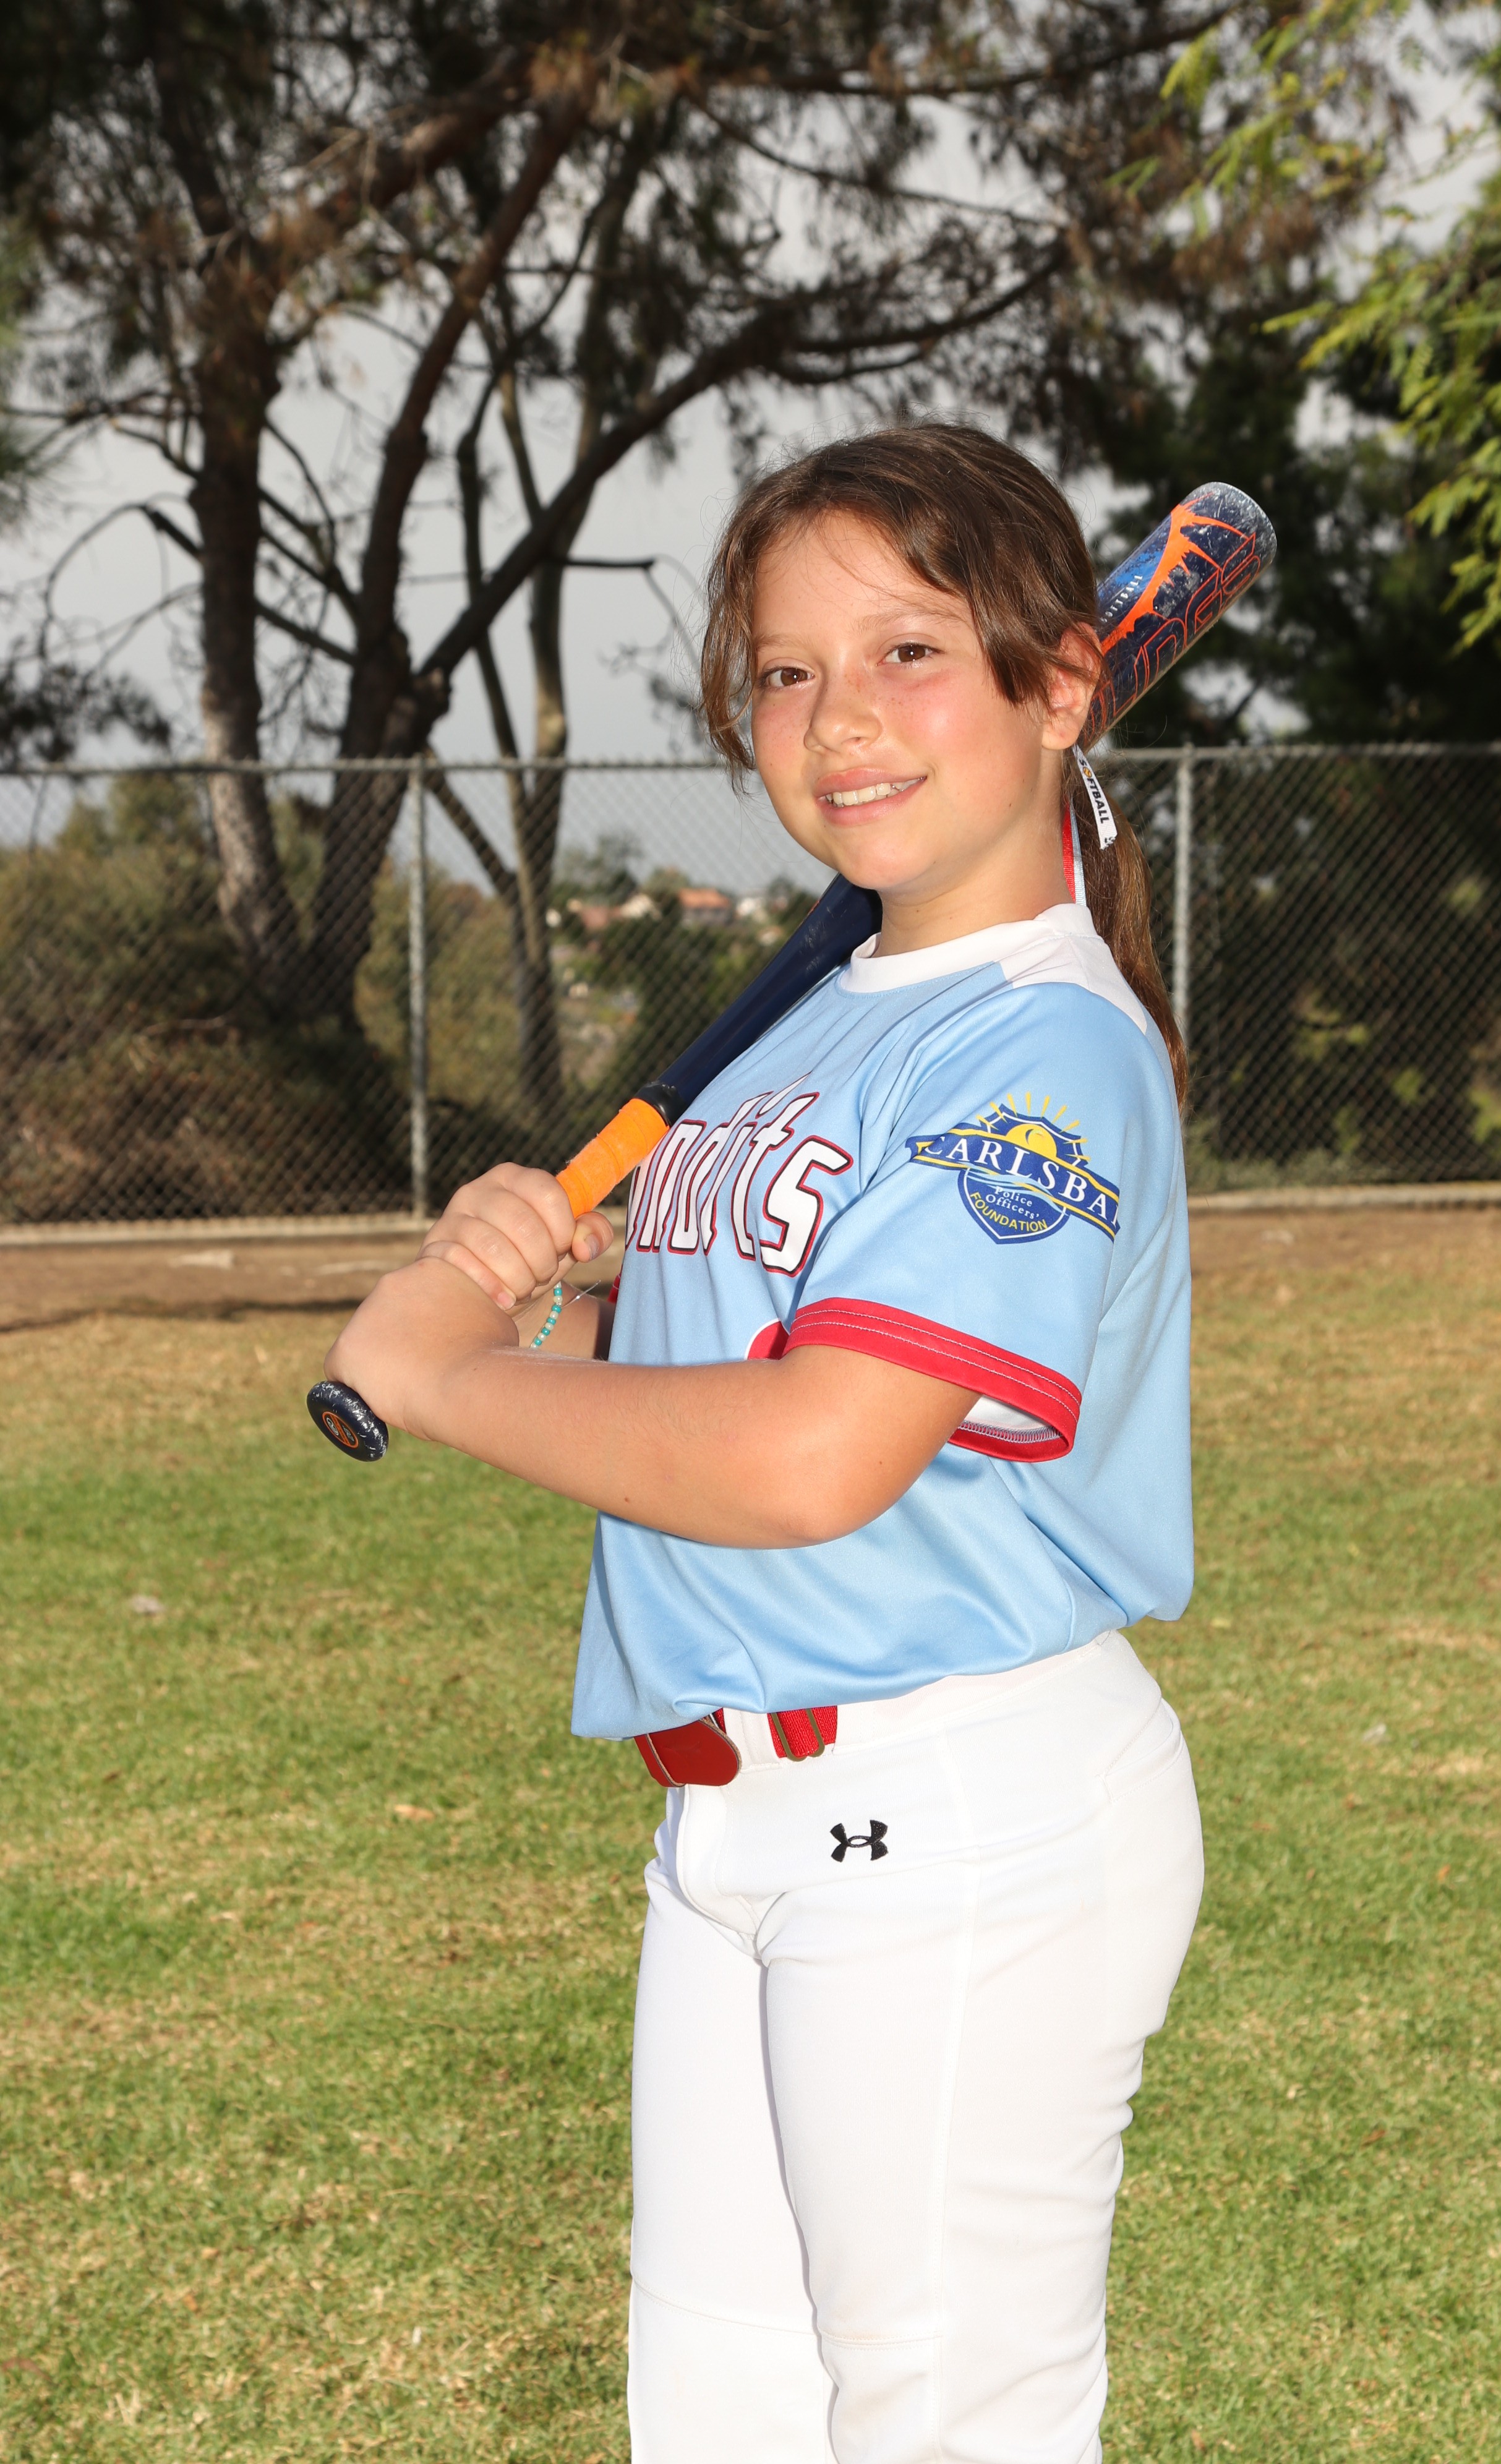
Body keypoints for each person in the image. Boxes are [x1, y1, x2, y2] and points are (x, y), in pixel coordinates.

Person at [327, 423, 1204, 2464]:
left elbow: (817, 1455)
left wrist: (449, 1384)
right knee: (723, 2425)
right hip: (735, 1821)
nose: (840, 719)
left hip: (957, 1810)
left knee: (944, 2429)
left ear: (1064, 683)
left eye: (910, 653)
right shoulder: (817, 1019)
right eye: (790, 673)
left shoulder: (1045, 1045)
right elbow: (702, 1360)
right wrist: (530, 1294)